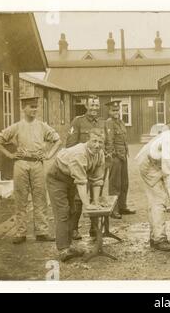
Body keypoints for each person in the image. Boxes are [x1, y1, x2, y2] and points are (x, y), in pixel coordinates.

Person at [0, 96, 62, 244]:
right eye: (31, 107)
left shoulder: (42, 126)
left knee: (40, 198)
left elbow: (58, 140)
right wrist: (10, 155)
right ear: (23, 108)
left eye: (36, 106)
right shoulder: (17, 126)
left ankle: (42, 232)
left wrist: (49, 154)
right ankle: (20, 232)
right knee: (21, 198)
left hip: (37, 164)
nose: (34, 109)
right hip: (21, 164)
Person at [46, 128, 106, 262]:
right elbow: (81, 182)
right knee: (63, 212)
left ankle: (70, 246)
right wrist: (87, 205)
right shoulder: (80, 153)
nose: (97, 145)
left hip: (71, 180)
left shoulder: (100, 154)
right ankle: (63, 249)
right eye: (94, 141)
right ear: (88, 140)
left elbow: (96, 180)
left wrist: (95, 202)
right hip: (57, 178)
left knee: (72, 210)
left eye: (100, 142)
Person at [65, 94, 105, 239]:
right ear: (86, 106)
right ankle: (74, 229)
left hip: (95, 166)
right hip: (80, 165)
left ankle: (94, 228)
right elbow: (70, 145)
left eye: (96, 105)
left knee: (96, 196)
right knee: (77, 198)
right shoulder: (78, 121)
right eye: (92, 105)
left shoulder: (102, 123)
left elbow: (102, 144)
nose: (94, 108)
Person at [105, 100, 135, 219]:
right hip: (115, 157)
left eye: (117, 110)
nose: (116, 112)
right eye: (113, 110)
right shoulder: (109, 123)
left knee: (124, 183)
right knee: (115, 184)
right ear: (109, 111)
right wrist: (112, 155)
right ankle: (114, 209)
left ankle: (122, 206)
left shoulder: (121, 122)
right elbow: (109, 141)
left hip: (123, 156)